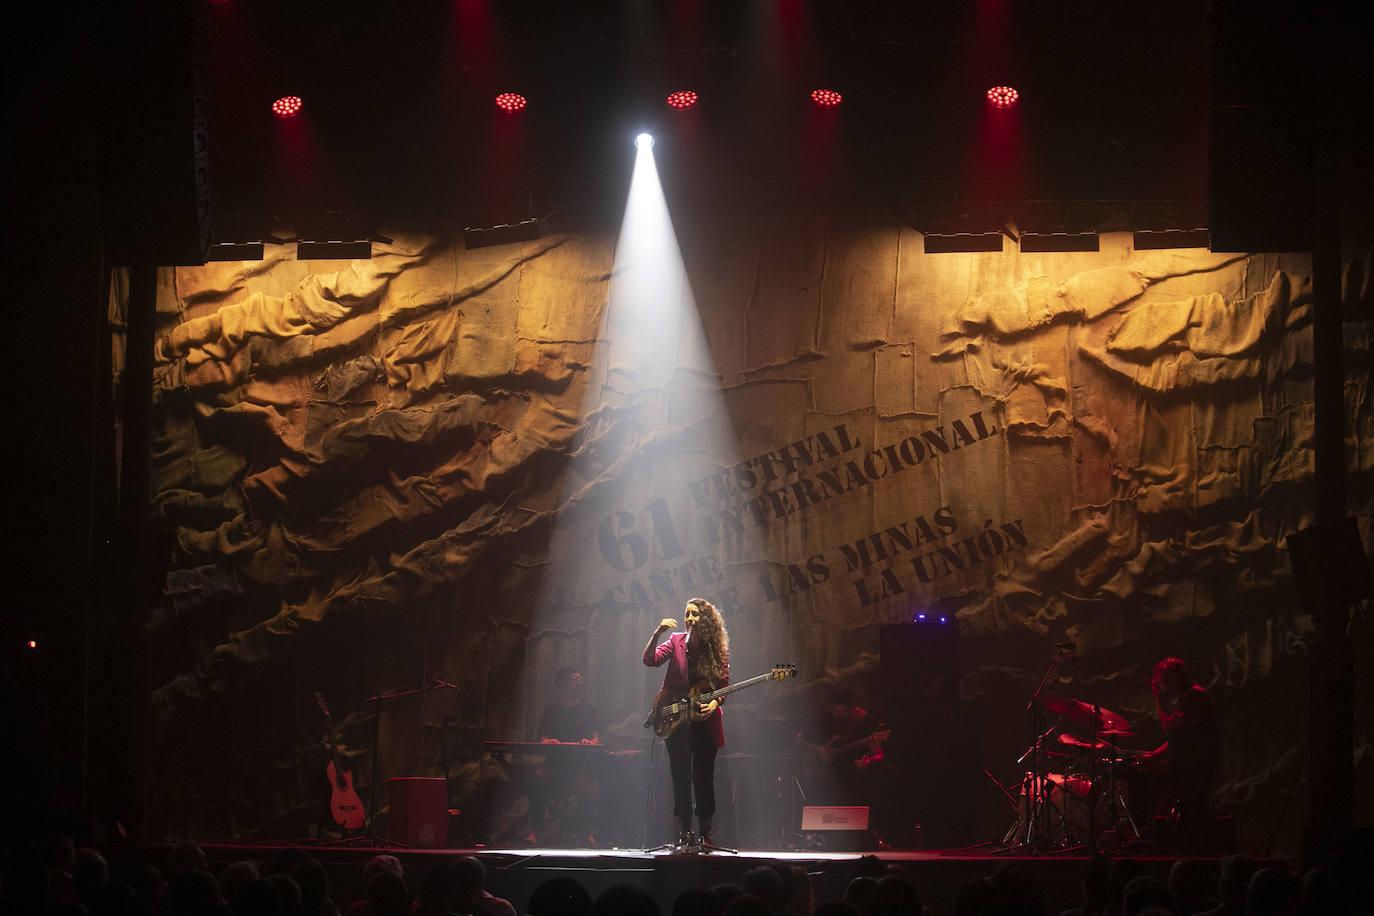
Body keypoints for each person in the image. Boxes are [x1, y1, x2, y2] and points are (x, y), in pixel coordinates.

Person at [643, 597, 730, 848]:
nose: (690, 619)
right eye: (687, 614)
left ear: (706, 620)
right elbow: (650, 660)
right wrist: (658, 632)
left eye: (695, 614)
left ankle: (705, 832)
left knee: (703, 777)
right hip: (676, 719)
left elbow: (722, 687)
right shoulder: (675, 641)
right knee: (680, 776)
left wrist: (714, 704)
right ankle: (684, 831)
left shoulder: (717, 649)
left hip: (704, 720)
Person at [1145, 657, 1219, 850]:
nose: (1164, 688)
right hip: (1196, 765)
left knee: (1153, 781)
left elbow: (1170, 727)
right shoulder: (1193, 696)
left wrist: (1157, 699)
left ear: (1172, 679)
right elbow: (1179, 738)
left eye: (1163, 682)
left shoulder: (1193, 697)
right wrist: (1152, 756)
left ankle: (1154, 836)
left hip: (1194, 768)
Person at [526, 666, 601, 844]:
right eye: (574, 679)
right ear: (561, 684)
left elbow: (596, 737)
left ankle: (586, 831)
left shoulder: (588, 710)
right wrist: (548, 742)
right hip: (554, 765)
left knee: (586, 789)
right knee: (536, 781)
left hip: (579, 766)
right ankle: (537, 830)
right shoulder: (552, 710)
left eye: (580, 679)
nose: (579, 682)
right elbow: (543, 739)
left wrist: (589, 743)